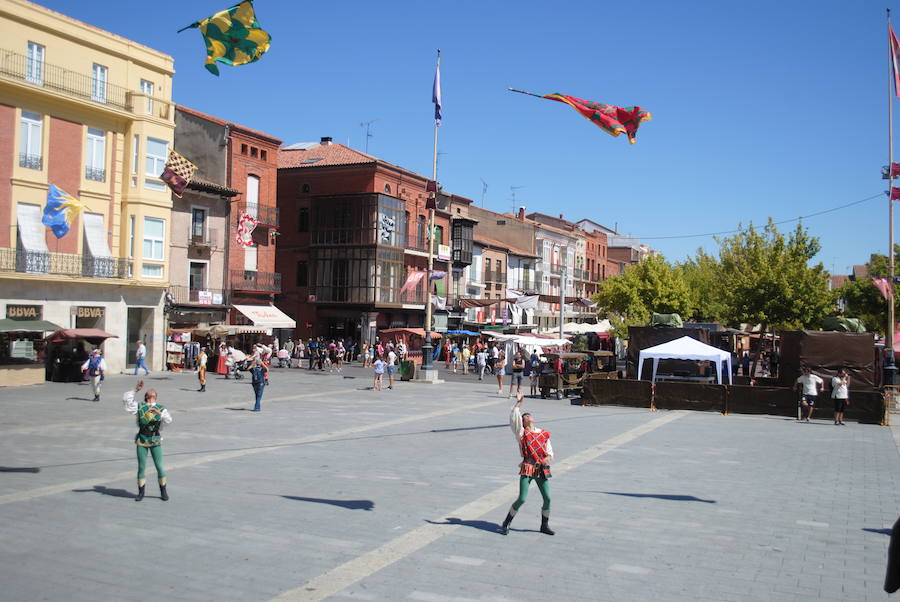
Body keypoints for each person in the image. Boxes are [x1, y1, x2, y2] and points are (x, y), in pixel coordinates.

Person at [499, 397, 554, 536]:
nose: (528, 416)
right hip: (528, 466)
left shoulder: (543, 433)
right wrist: (519, 402)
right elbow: (514, 420)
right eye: (525, 416)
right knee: (522, 498)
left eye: (529, 415)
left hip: (541, 468)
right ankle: (507, 522)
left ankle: (544, 525)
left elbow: (549, 452)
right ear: (523, 422)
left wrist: (547, 458)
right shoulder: (522, 433)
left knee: (548, 498)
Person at [123, 380, 172, 501]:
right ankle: (141, 493)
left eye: (153, 393)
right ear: (146, 396)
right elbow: (127, 401)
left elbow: (169, 421)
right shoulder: (140, 406)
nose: (151, 393)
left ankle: (163, 491)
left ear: (155, 396)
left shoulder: (161, 408)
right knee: (141, 467)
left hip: (155, 438)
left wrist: (159, 413)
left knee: (159, 466)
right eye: (149, 393)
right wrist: (135, 390)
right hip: (142, 438)